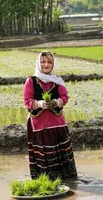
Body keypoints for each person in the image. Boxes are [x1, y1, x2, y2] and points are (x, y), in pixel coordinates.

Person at [23, 51, 77, 180]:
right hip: (39, 125)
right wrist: (38, 104)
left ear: (53, 64)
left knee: (61, 151)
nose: (46, 64)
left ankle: (67, 179)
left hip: (57, 123)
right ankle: (46, 180)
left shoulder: (57, 81)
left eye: (49, 62)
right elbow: (27, 101)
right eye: (43, 62)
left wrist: (59, 102)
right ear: (38, 63)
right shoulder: (31, 81)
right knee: (44, 153)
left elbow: (64, 97)